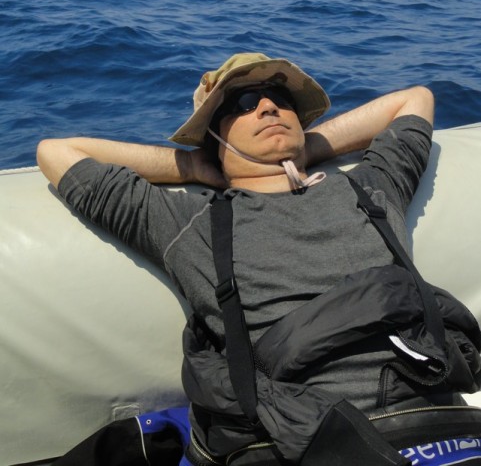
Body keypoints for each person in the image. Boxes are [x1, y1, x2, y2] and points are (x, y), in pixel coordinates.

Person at [37, 53, 481, 466]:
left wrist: (303, 148)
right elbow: (56, 153)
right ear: (214, 139)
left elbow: (415, 99)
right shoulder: (188, 223)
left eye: (282, 101)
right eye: (243, 104)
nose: (269, 107)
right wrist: (193, 167)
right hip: (308, 441)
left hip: (435, 421)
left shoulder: (371, 188)